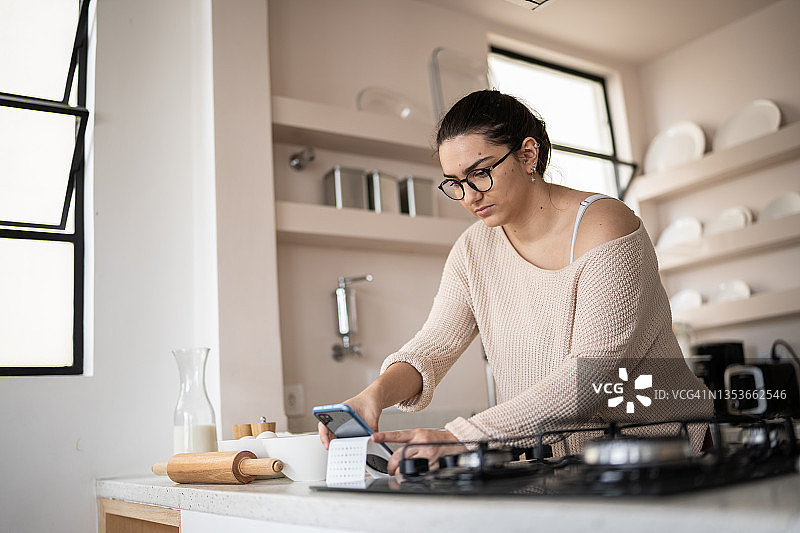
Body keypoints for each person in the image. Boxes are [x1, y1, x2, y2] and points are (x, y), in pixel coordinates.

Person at [319, 89, 713, 474]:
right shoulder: (473, 249)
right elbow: (434, 346)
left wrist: (462, 437)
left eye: (481, 173)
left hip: (660, 452)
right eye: (455, 182)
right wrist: (374, 395)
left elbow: (594, 374)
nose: (469, 196)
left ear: (528, 154)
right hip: (558, 464)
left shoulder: (604, 224)